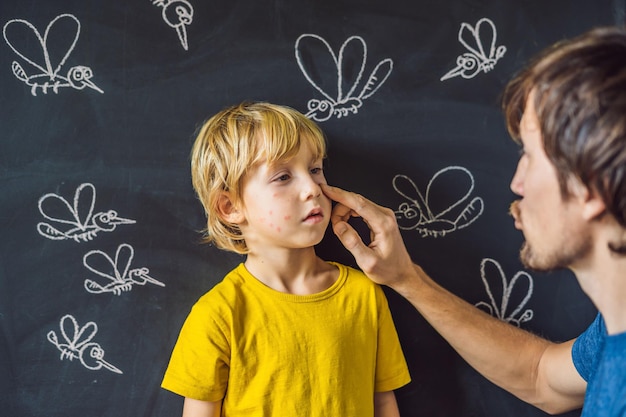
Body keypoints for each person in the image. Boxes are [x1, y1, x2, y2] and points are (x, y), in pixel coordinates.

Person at [321, 26, 626, 417]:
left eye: (530, 156)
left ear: (591, 187)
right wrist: (407, 279)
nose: (517, 183)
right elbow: (541, 377)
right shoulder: (613, 332)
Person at [161, 102, 411, 417]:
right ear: (229, 207)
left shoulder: (364, 295)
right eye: (282, 177)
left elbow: (382, 402)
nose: (312, 189)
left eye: (315, 169)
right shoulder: (218, 315)